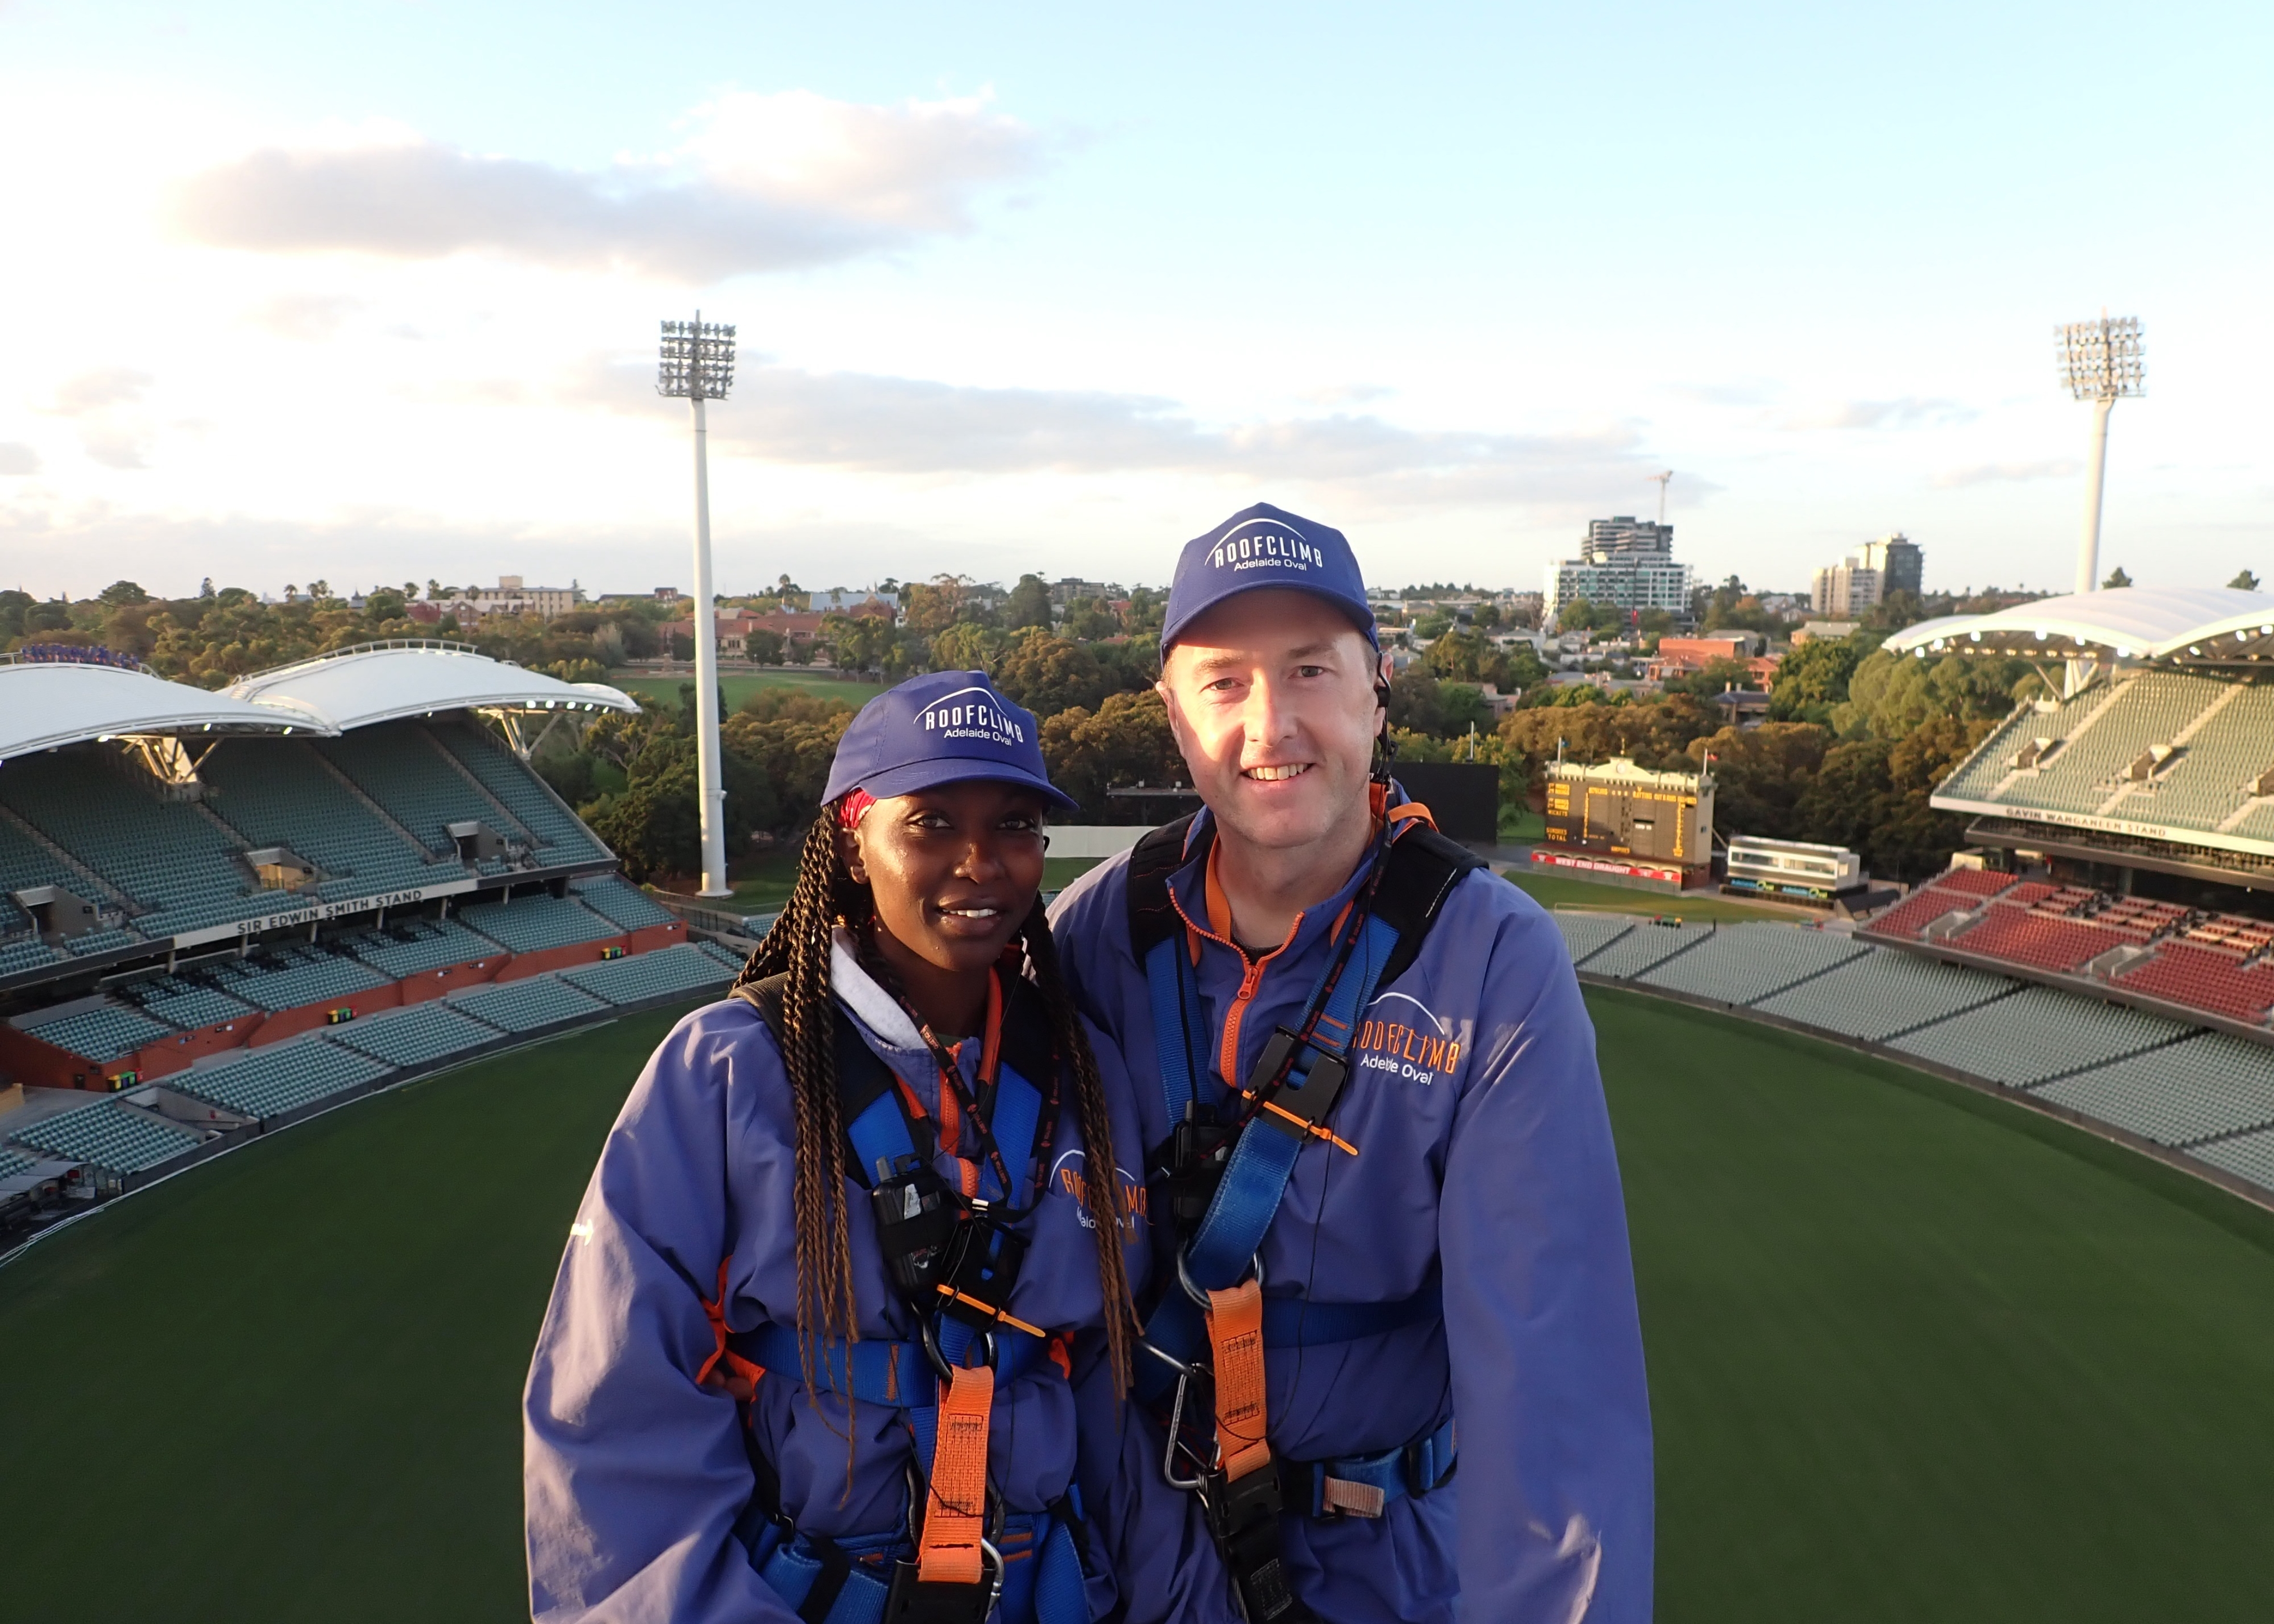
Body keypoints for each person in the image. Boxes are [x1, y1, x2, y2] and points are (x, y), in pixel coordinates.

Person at [1050, 505, 1654, 1623]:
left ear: (1377, 689)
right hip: (1133, 1565)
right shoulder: (1099, 929)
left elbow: (1553, 1397)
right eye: (1224, 682)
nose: (1270, 724)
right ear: (1173, 717)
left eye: (1309, 670)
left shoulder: (1487, 960)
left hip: (1382, 1573)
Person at [524, 670, 1218, 1623]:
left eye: (1015, 824)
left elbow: (1110, 1391)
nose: (981, 861)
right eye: (931, 823)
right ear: (854, 840)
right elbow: (614, 1421)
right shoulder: (730, 1072)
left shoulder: (1080, 1073)